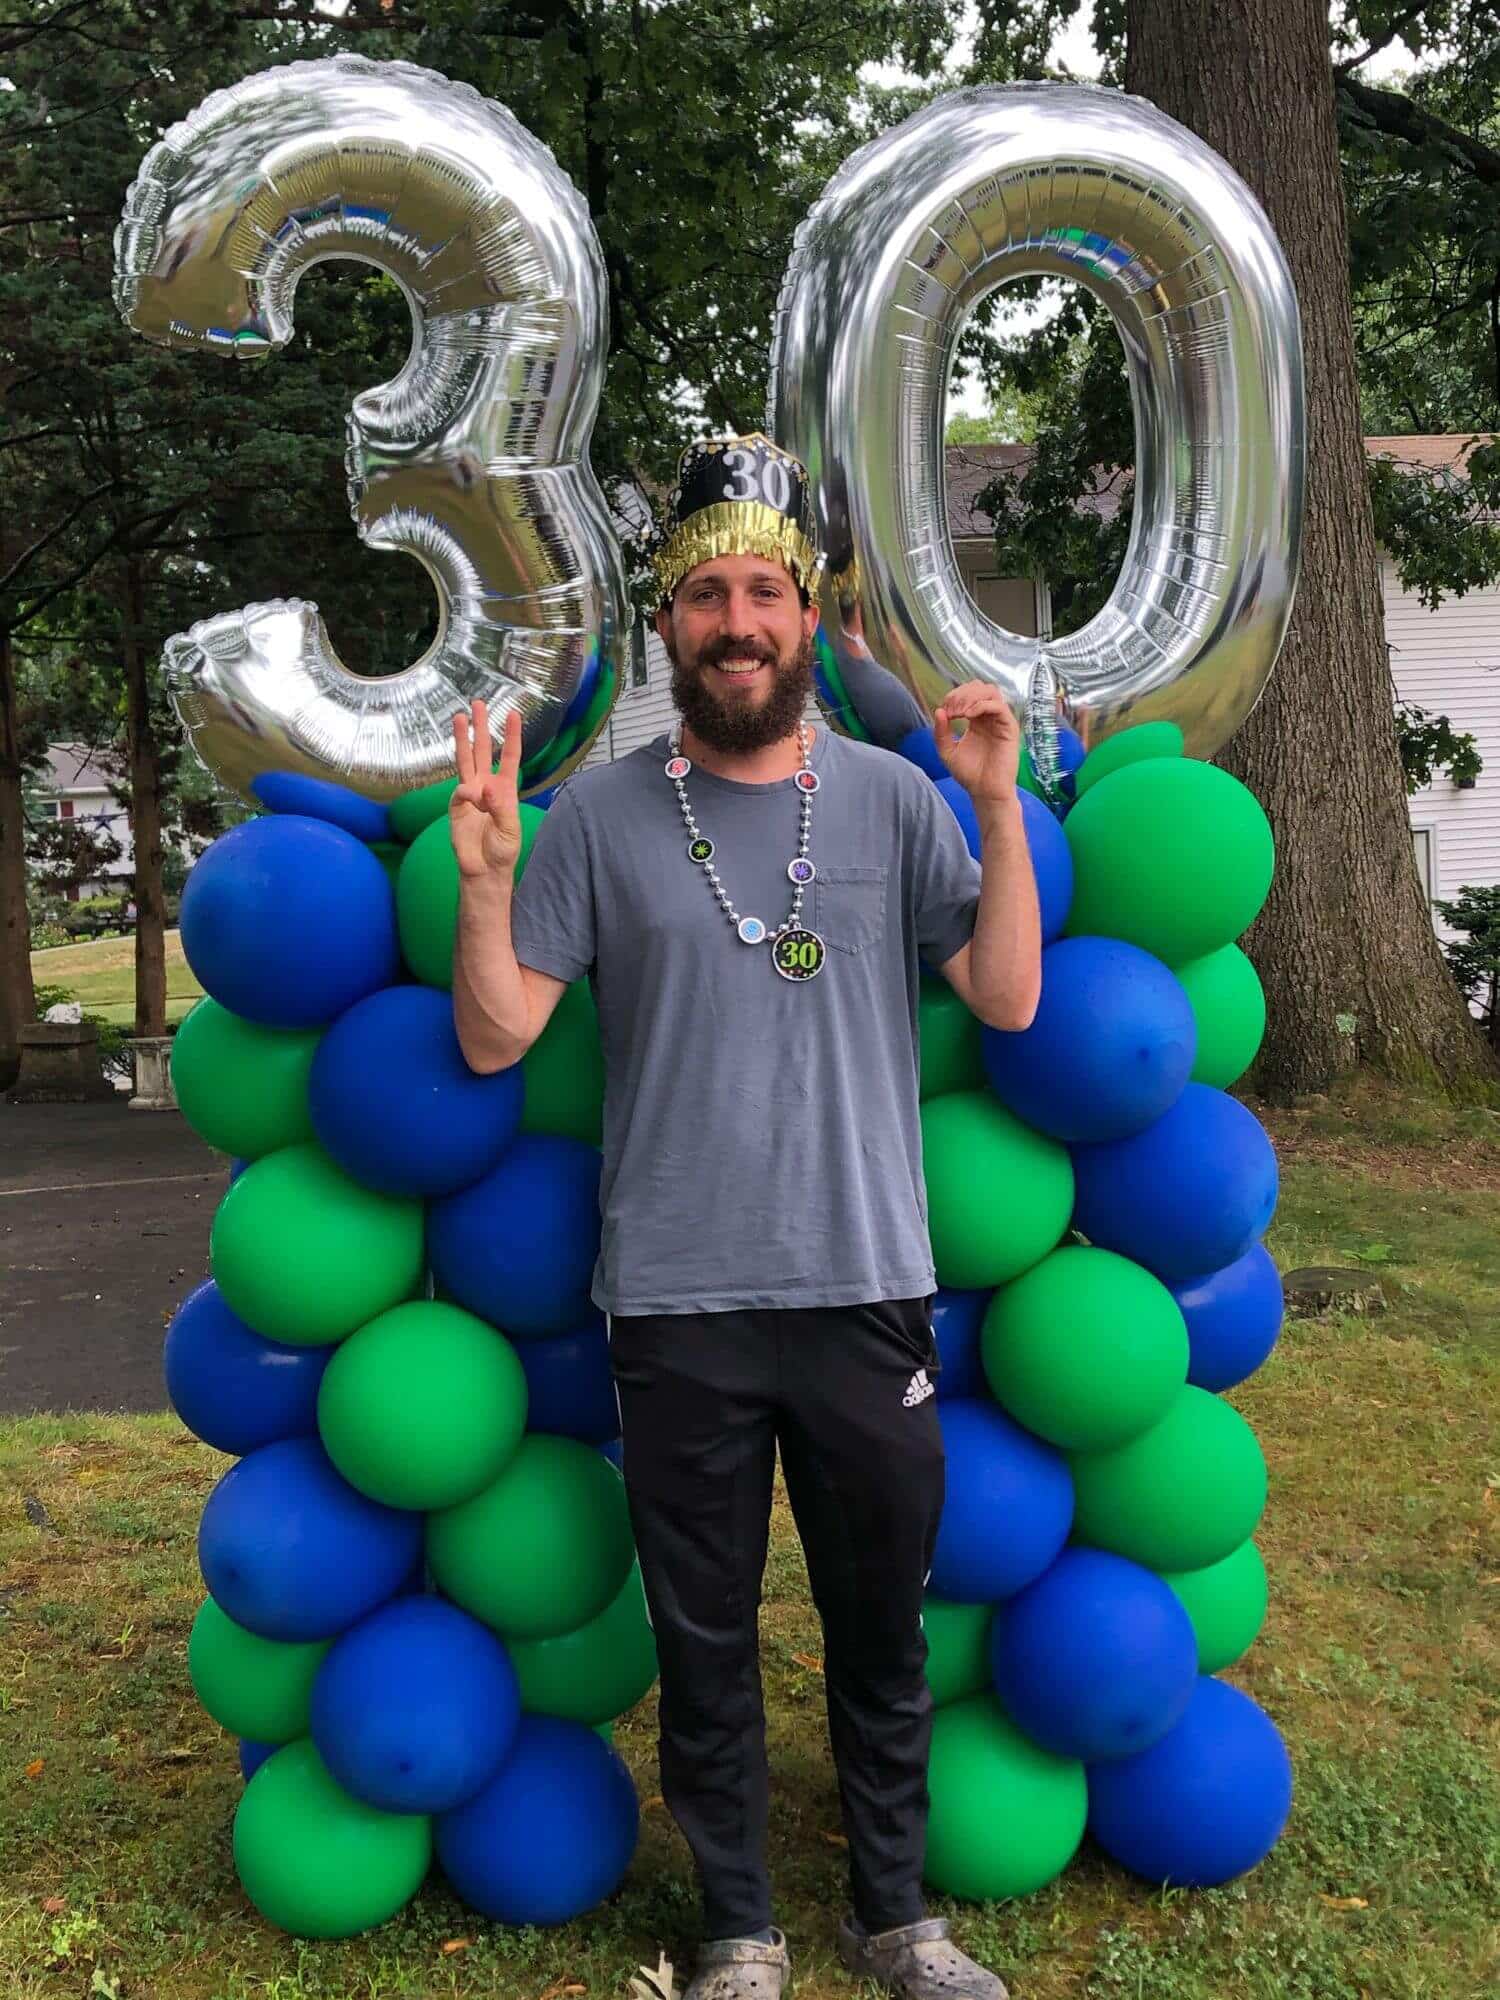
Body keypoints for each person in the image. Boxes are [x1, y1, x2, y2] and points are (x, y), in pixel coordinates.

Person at [448, 432, 1041, 2000]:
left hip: (864, 1287)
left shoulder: (901, 801)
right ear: (669, 628)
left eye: (763, 592)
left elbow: (1008, 991)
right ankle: (738, 1928)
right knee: (704, 1641)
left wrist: (991, 808)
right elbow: (498, 1035)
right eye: (706, 593)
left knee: (879, 1629)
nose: (736, 620)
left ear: (804, 615)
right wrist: (490, 878)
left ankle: (898, 1916)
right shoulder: (597, 820)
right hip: (680, 1299)